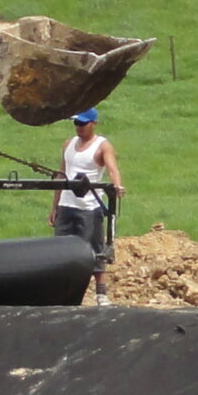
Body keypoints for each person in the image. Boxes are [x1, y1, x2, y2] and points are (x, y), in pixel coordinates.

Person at [50, 108, 122, 304]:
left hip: (89, 206)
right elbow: (61, 175)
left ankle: (101, 292)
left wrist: (117, 186)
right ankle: (62, 292)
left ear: (93, 123)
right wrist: (55, 206)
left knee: (93, 248)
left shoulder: (102, 146)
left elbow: (112, 168)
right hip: (67, 204)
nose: (78, 128)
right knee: (61, 249)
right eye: (76, 123)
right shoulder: (68, 145)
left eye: (82, 123)